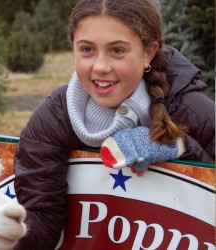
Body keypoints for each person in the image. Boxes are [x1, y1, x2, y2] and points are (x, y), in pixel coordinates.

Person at [13, 0, 215, 249]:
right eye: (87, 49)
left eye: (117, 50)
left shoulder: (190, 109)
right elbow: (42, 226)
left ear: (147, 53)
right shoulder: (54, 116)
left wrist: (178, 149)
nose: (100, 66)